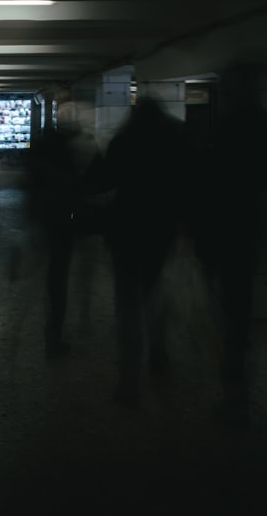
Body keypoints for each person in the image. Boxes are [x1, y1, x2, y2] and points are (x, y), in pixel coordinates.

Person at [192, 68, 267, 425]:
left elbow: (205, 178)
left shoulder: (225, 128)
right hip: (247, 225)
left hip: (219, 225)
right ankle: (237, 347)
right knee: (240, 290)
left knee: (224, 290)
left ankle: (231, 352)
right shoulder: (266, 127)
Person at [100, 96, 190, 407]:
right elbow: (187, 183)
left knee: (127, 305)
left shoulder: (123, 141)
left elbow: (104, 181)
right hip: (160, 231)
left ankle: (129, 380)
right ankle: (159, 352)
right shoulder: (176, 139)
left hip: (125, 230)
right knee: (156, 292)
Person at [25, 99, 105, 359]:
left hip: (47, 219)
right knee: (63, 274)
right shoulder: (83, 145)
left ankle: (52, 331)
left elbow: (31, 182)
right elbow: (95, 183)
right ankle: (64, 327)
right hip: (68, 218)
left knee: (54, 277)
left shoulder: (44, 144)